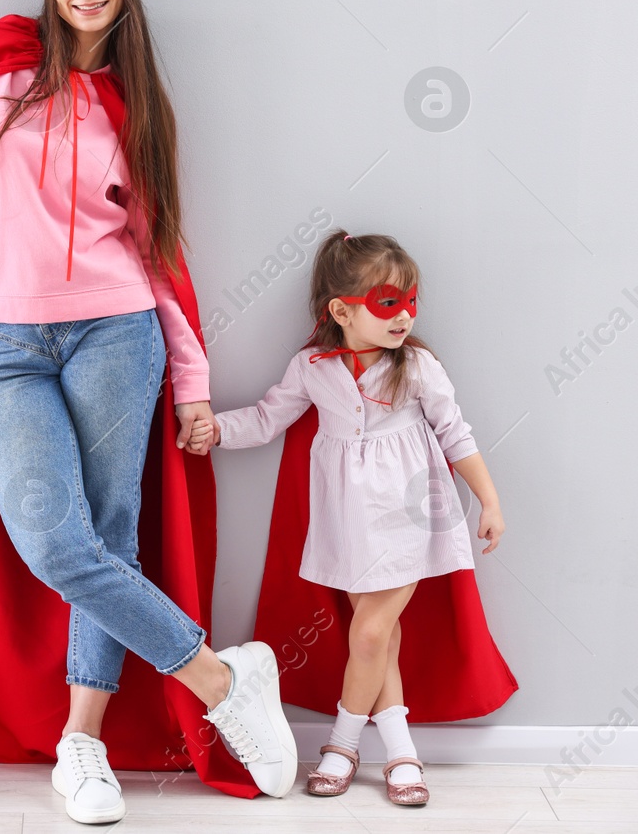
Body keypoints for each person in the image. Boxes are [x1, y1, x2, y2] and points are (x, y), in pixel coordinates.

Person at [0, 0, 297, 823]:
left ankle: (83, 746)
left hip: (118, 330)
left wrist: (193, 383)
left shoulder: (132, 104)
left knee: (109, 531)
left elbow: (157, 253)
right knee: (54, 538)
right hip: (2, 339)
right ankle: (223, 678)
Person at [187, 230, 506, 806]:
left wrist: (488, 500)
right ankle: (401, 750)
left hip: (410, 512)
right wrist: (215, 432)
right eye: (389, 303)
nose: (403, 316)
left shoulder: (418, 366)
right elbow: (267, 419)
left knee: (371, 632)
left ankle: (342, 744)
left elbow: (456, 432)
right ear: (341, 310)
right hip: (345, 518)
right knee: (376, 641)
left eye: (411, 302)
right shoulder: (312, 367)